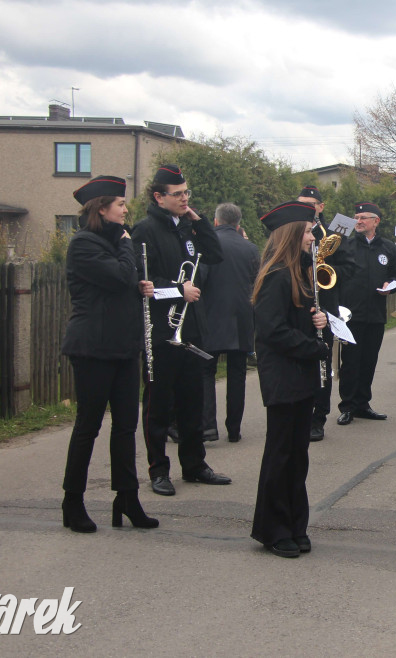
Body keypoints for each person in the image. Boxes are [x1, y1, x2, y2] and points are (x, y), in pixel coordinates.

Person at [61, 175, 158, 533]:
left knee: (126, 426)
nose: (125, 209)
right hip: (93, 348)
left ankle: (127, 498)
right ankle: (73, 501)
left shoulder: (116, 242)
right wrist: (127, 249)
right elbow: (117, 275)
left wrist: (140, 286)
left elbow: (124, 281)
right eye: (119, 204)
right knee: (88, 426)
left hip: (123, 347)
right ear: (101, 208)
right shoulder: (84, 244)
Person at [133, 164, 231, 496]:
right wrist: (178, 291)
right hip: (161, 331)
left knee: (193, 401)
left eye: (186, 192)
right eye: (177, 194)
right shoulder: (145, 230)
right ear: (159, 197)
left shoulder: (188, 228)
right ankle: (158, 470)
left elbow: (215, 254)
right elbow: (143, 282)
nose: (184, 198)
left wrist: (199, 222)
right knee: (159, 405)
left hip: (190, 329)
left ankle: (194, 465)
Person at [250, 200, 329, 558]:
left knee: (298, 455)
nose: (313, 237)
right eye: (309, 231)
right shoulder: (276, 275)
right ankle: (273, 528)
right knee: (281, 454)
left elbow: (299, 321)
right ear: (292, 234)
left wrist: (320, 322)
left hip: (301, 375)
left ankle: (296, 523)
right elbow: (272, 331)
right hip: (283, 376)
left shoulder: (301, 272)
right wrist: (313, 347)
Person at [197, 203, 260, 443]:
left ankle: (208, 427)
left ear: (215, 221)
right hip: (242, 317)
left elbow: (200, 280)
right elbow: (256, 282)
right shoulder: (250, 248)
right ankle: (234, 429)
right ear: (238, 224)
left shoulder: (207, 244)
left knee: (206, 371)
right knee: (237, 373)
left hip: (210, 317)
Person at [299, 185, 356, 442]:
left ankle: (318, 418)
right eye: (301, 203)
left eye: (310, 204)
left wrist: (325, 268)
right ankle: (300, 413)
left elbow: (349, 268)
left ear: (320, 207)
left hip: (326, 306)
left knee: (322, 364)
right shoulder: (293, 233)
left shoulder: (334, 235)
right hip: (299, 306)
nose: (306, 207)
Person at [336, 203, 396, 425]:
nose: (359, 221)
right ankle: (347, 406)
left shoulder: (388, 248)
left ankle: (362, 404)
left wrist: (391, 285)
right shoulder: (347, 245)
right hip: (350, 315)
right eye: (356, 217)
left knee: (368, 362)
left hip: (375, 314)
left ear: (376, 221)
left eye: (363, 217)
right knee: (350, 363)